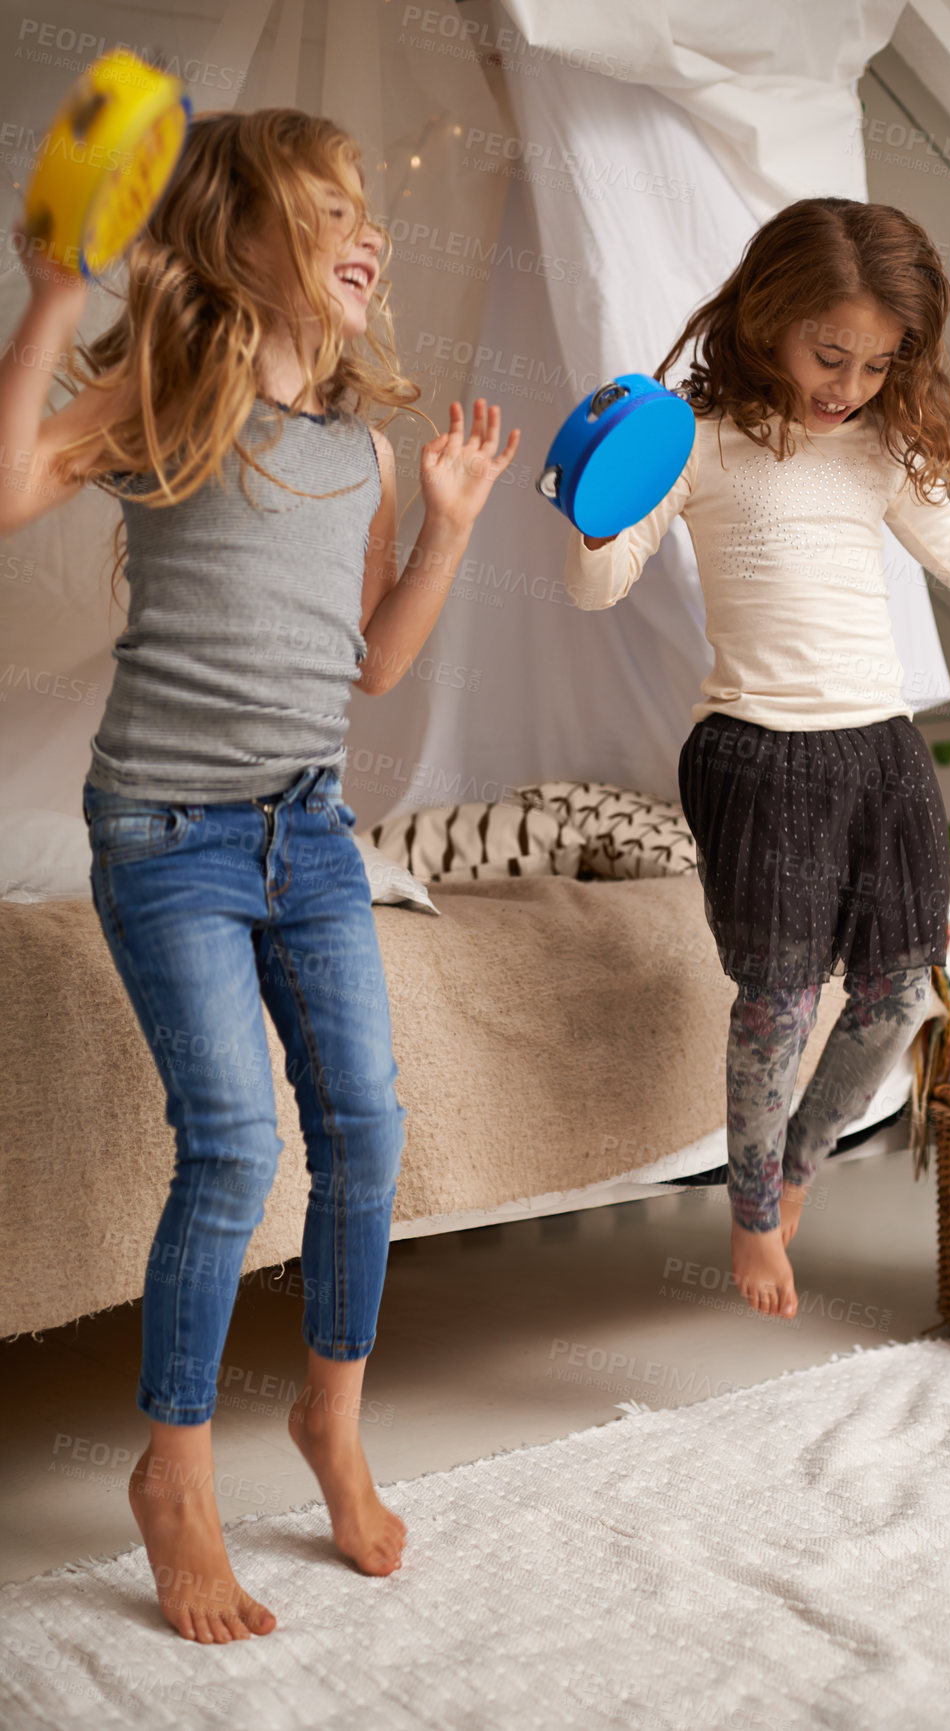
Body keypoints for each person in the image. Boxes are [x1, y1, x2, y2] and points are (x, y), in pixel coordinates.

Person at [0, 107, 518, 1642]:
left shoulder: (355, 449)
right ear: (231, 240)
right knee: (232, 1141)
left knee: (367, 1118)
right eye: (322, 209)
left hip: (309, 827)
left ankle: (330, 1419)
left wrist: (443, 526)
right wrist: (47, 296)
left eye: (367, 205)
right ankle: (172, 1476)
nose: (364, 231)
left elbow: (368, 671)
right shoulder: (165, 388)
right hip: (167, 833)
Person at [564, 197, 950, 1320]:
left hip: (878, 750)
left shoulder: (883, 447)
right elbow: (600, 585)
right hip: (756, 753)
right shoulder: (695, 439)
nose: (848, 384)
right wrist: (594, 524)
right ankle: (749, 1211)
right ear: (769, 316)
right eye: (830, 354)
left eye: (878, 364)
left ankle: (794, 1163)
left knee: (897, 989)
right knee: (779, 999)